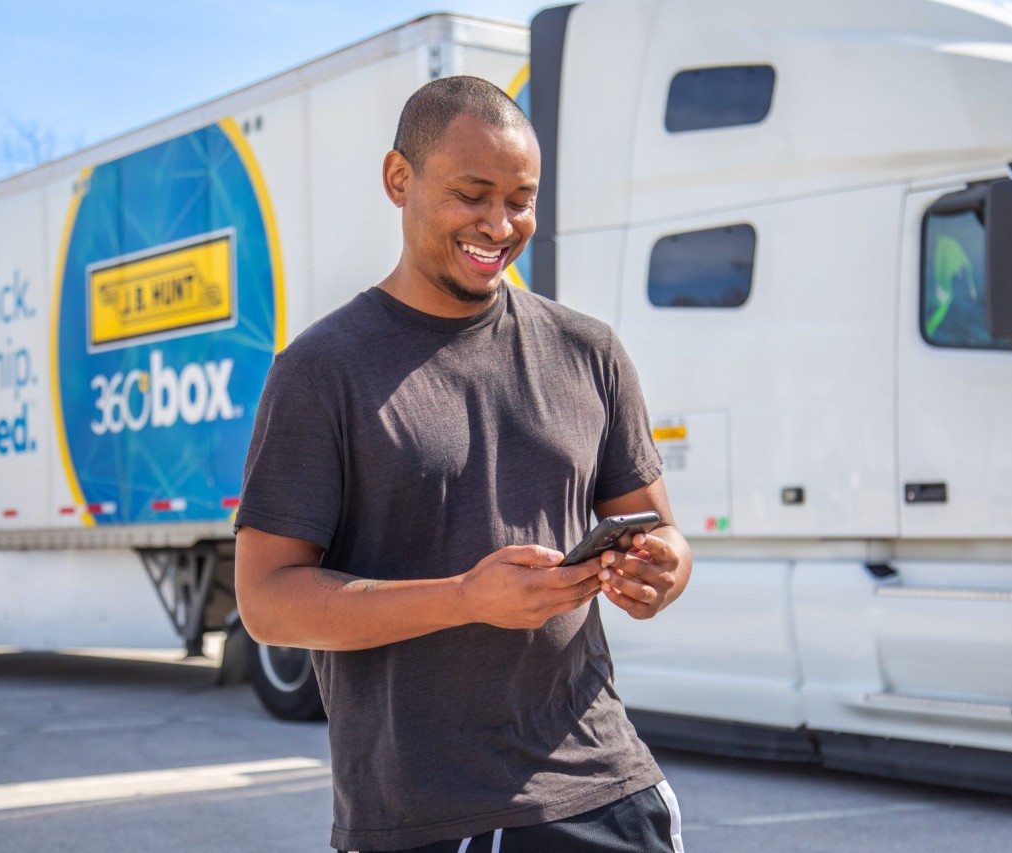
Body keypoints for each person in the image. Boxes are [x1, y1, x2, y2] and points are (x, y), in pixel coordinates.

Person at [235, 75, 692, 853]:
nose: (500, 224)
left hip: (605, 792)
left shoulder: (590, 351)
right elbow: (268, 602)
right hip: (419, 816)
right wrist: (466, 596)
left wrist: (661, 571)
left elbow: (661, 533)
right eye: (472, 194)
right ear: (398, 180)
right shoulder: (320, 370)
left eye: (521, 199)